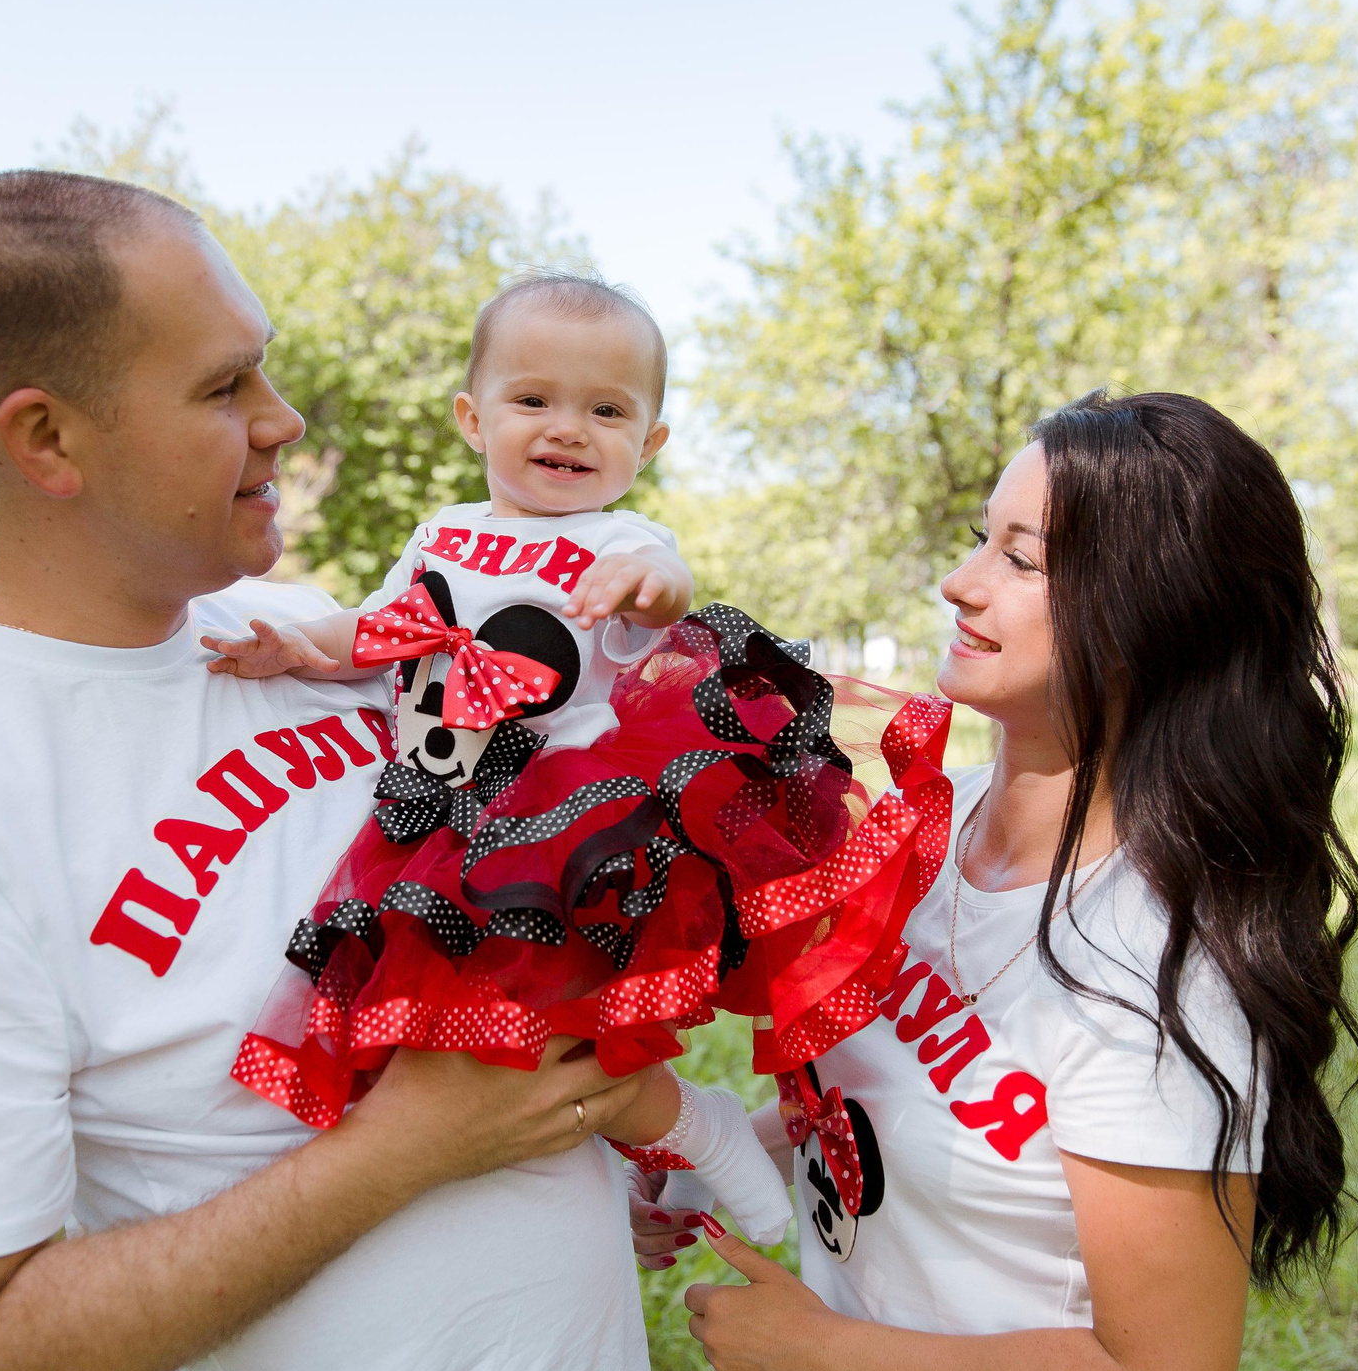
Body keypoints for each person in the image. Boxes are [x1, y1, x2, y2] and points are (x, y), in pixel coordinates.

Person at [0, 170, 667, 1371]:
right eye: (225, 385)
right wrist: (411, 1148)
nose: (285, 416)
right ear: (49, 437)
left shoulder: (296, 634)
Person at [650, 391, 1358, 1371]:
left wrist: (820, 1352)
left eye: (1019, 558)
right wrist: (703, 1157)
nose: (957, 580)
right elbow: (888, 1096)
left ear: (1155, 614)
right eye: (982, 537)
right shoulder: (940, 831)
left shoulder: (1156, 971)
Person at [204, 271, 952, 1245]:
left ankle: (698, 1131)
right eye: (533, 401)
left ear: (647, 445)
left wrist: (649, 584)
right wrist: (304, 647)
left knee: (560, 1032)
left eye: (605, 411)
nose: (567, 429)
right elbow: (389, 627)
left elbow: (669, 593)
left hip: (571, 831)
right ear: (473, 419)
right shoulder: (444, 535)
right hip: (438, 818)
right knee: (481, 1035)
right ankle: (646, 1167)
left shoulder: (619, 537)